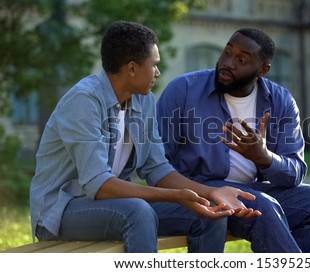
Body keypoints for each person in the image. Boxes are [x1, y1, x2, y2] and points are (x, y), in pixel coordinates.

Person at [29, 21, 261, 253]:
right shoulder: (84, 101)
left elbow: (157, 168)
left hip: (112, 206)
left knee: (209, 213)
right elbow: (99, 184)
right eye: (154, 65)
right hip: (60, 212)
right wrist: (175, 196)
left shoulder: (142, 99)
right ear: (132, 69)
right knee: (138, 211)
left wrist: (210, 193)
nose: (158, 73)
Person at [156, 28, 310, 252]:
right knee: (262, 204)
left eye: (242, 59)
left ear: (262, 70)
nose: (228, 63)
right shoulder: (184, 90)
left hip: (252, 191)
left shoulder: (280, 101)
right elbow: (157, 164)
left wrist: (264, 158)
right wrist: (201, 192)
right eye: (227, 53)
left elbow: (295, 172)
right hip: (198, 191)